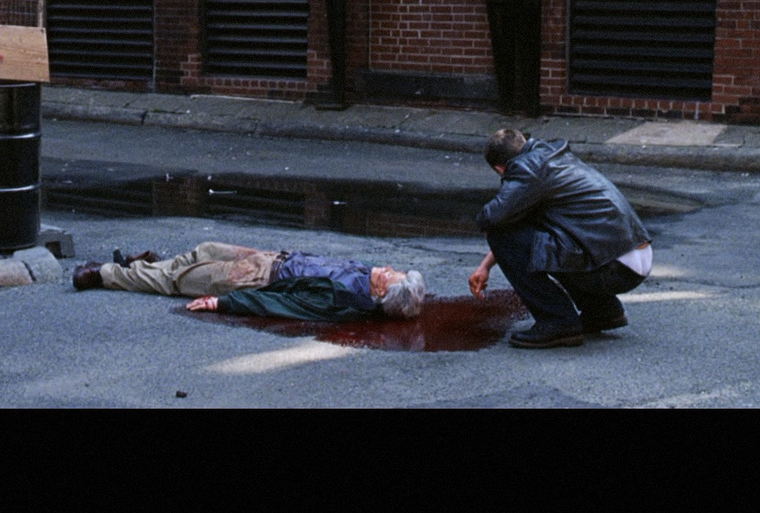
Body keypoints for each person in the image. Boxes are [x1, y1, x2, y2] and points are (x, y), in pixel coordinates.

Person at [471, 128, 653, 349]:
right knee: (548, 240)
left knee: (502, 235)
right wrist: (485, 266)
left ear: (500, 168)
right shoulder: (552, 157)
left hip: (613, 269)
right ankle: (603, 312)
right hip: (631, 259)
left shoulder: (527, 170)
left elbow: (492, 218)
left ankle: (557, 323)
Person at [72, 241, 427, 321]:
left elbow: (283, 304)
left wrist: (224, 302)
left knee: (176, 279)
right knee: (203, 250)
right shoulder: (367, 276)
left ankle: (104, 273)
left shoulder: (343, 299)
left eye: (388, 274)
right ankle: (146, 266)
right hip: (273, 258)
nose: (385, 267)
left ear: (382, 293)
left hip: (258, 278)